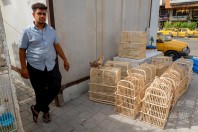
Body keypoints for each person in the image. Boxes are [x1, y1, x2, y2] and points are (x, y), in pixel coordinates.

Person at [19, 3, 70, 123]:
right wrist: (23, 68)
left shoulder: (51, 31)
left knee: (56, 85)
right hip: (35, 67)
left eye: (44, 14)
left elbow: (57, 45)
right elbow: (22, 50)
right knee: (40, 91)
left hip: (51, 65)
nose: (42, 16)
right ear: (33, 15)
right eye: (39, 13)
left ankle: (36, 108)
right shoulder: (26, 31)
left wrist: (65, 60)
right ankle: (45, 112)